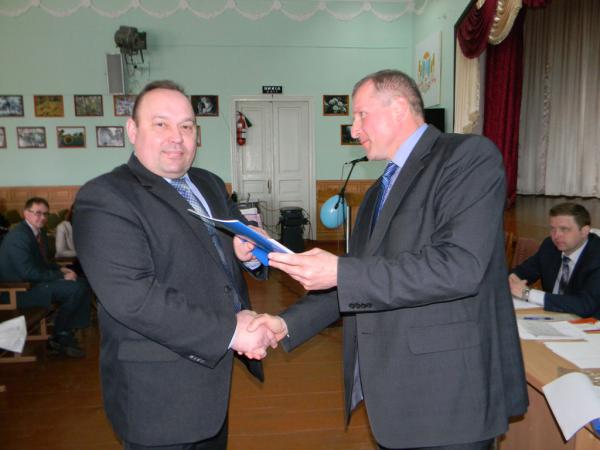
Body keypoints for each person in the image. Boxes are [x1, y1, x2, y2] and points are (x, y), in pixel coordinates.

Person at [250, 69, 528, 450]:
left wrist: (341, 270)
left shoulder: (466, 157)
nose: (354, 129)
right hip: (396, 398)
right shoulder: (377, 192)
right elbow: (351, 283)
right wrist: (285, 323)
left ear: (398, 109)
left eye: (361, 115)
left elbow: (459, 267)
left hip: (448, 400)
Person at [73, 80, 276, 449]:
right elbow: (134, 299)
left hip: (213, 382)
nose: (177, 137)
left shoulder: (209, 183)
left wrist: (247, 254)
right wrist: (232, 332)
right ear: (132, 130)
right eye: (161, 124)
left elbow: (220, 250)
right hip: (158, 394)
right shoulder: (105, 197)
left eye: (186, 126)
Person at [0, 197, 91, 358]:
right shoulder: (18, 236)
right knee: (75, 288)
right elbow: (28, 272)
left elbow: (43, 263)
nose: (42, 217)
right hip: (18, 292)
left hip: (33, 285)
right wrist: (60, 276)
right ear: (26, 213)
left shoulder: (39, 232)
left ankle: (65, 332)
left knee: (82, 282)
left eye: (45, 214)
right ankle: (60, 335)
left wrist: (60, 269)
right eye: (38, 213)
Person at [509, 202, 600, 318]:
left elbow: (585, 305)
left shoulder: (596, 256)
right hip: (551, 316)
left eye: (564, 229)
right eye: (552, 229)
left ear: (584, 231)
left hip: (588, 323)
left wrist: (528, 294)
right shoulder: (550, 246)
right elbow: (523, 272)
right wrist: (512, 279)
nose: (556, 235)